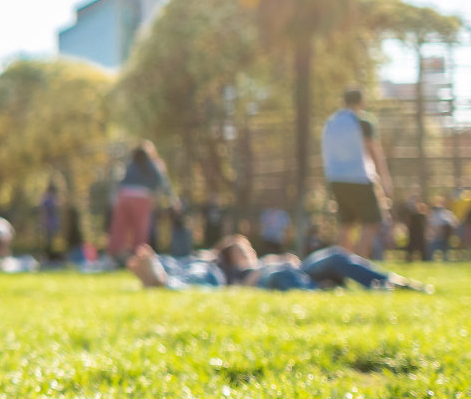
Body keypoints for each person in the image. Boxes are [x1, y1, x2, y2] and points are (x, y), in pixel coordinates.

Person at [129, 236, 431, 293]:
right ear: (230, 255)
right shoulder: (224, 270)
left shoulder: (262, 261)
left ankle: (390, 282)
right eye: (242, 249)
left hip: (296, 270)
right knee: (282, 271)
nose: (248, 251)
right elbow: (192, 268)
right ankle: (320, 293)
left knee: (335, 255)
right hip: (271, 277)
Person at [322, 88, 393, 255]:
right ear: (362, 102)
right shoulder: (362, 121)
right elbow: (373, 150)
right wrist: (385, 179)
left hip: (335, 178)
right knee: (372, 222)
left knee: (346, 224)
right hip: (359, 178)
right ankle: (359, 262)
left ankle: (343, 264)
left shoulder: (331, 122)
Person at [107, 141, 174, 261]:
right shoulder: (153, 164)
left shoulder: (130, 164)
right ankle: (138, 256)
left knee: (119, 227)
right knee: (140, 228)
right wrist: (170, 198)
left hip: (124, 195)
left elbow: (119, 180)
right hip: (142, 196)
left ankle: (115, 254)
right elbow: (162, 182)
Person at [39, 181, 61, 260]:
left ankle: (53, 256)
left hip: (53, 222)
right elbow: (44, 212)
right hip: (49, 222)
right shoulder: (47, 199)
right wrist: (45, 222)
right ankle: (47, 256)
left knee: (53, 241)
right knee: (48, 240)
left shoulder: (54, 199)